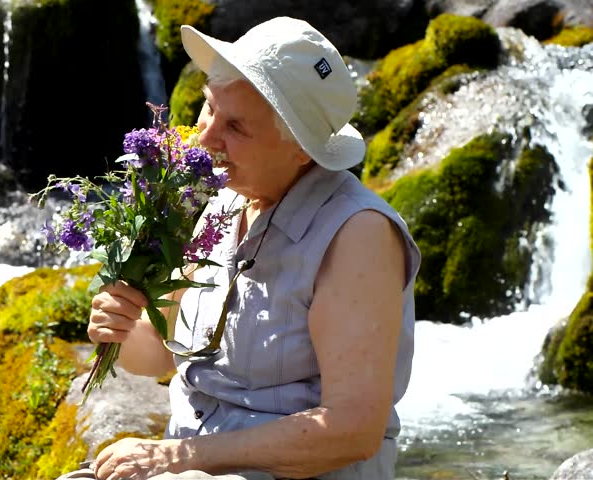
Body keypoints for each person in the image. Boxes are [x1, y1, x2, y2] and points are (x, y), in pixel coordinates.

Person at [73, 16, 421, 480]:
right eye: (208, 109)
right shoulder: (219, 201)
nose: (204, 137)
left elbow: (352, 430)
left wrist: (180, 458)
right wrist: (118, 326)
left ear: (301, 149)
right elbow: (159, 353)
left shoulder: (358, 235)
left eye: (236, 127)